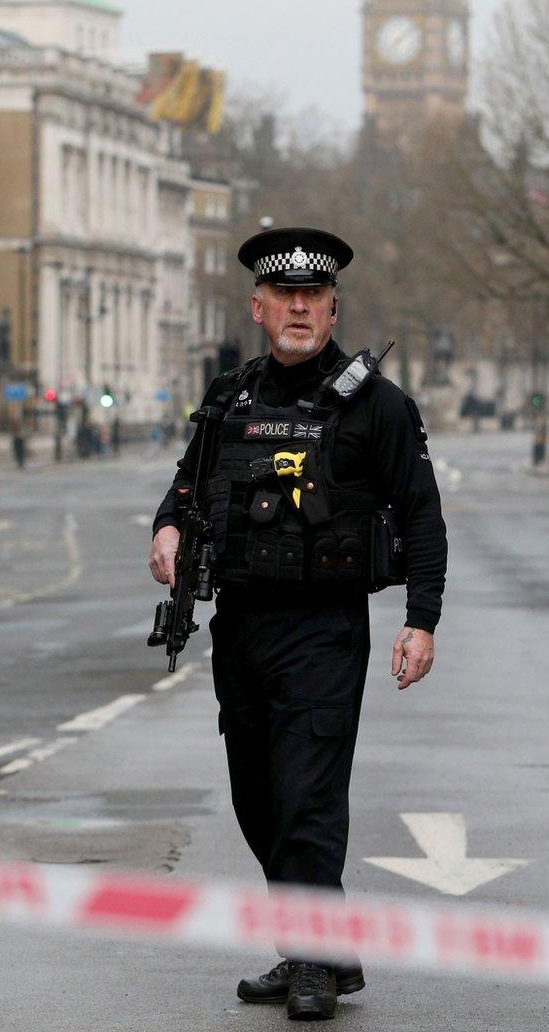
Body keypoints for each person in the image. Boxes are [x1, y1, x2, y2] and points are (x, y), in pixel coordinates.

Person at [148, 227, 448, 1020]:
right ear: (258, 306)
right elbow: (187, 486)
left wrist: (422, 620)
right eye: (285, 295)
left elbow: (421, 514)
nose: (300, 307)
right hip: (241, 626)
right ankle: (314, 940)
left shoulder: (375, 405)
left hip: (323, 630)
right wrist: (170, 528)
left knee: (307, 795)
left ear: (333, 307)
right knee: (258, 799)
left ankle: (314, 962)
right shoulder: (229, 399)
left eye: (314, 296)